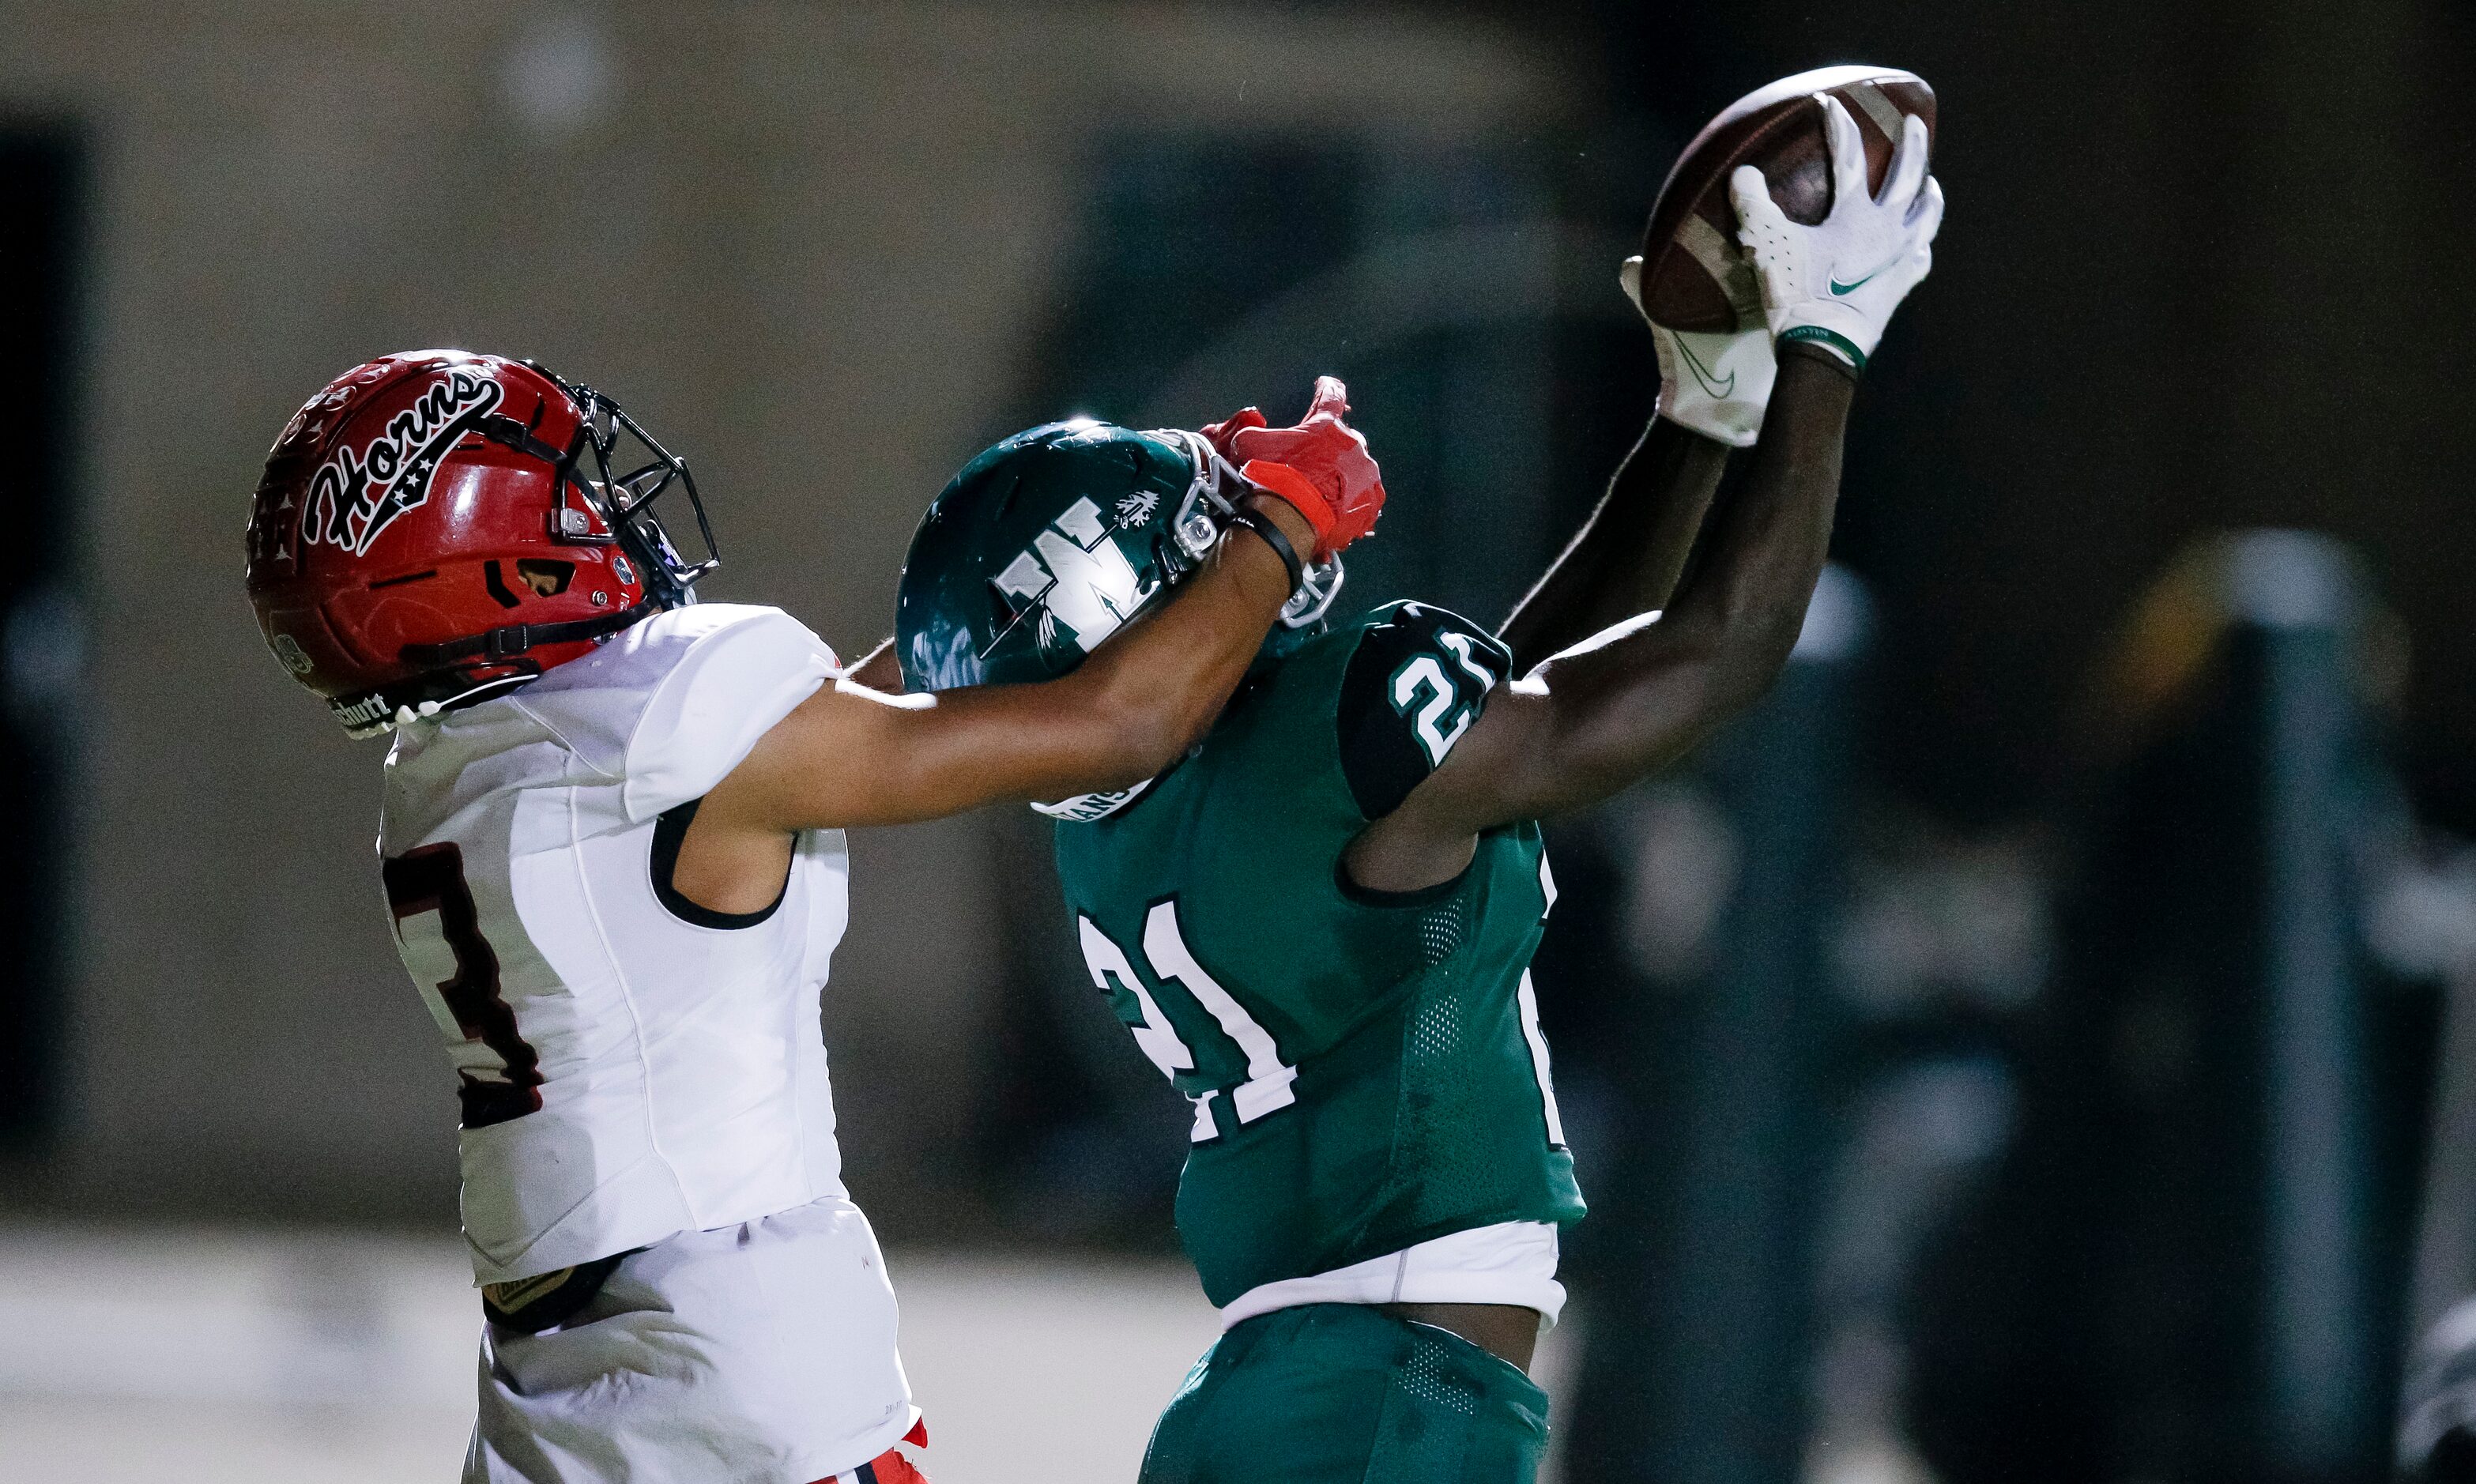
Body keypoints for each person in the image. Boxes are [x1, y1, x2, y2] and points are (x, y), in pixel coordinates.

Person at [888, 96, 1943, 1482]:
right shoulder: (1339, 733)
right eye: (1198, 539)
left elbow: (1520, 703)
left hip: (1284, 1388)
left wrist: (1695, 418)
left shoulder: (1119, 810)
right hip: (1389, 1396)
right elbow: (1715, 656)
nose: (1231, 547)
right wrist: (1825, 345)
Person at [242, 353, 1381, 1483]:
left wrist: (1141, 528)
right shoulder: (662, 717)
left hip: (560, 1378)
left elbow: (882, 712)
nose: (599, 507)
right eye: (560, 491)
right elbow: (1120, 725)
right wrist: (1279, 528)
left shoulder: (451, 764)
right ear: (491, 574)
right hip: (732, 1378)